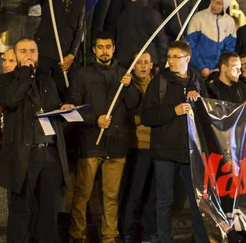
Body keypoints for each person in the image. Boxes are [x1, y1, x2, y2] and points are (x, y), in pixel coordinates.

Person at [0, 38, 73, 242]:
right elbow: (10, 100)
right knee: (21, 213)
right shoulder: (7, 81)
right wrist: (24, 75)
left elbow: (52, 113)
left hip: (50, 154)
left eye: (33, 51)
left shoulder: (47, 80)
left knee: (48, 213)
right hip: (24, 156)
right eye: (23, 51)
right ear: (15, 55)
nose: (29, 55)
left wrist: (64, 110)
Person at [67, 32, 141, 243]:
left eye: (108, 47)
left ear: (114, 48)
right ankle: (77, 236)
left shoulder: (123, 74)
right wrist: (94, 120)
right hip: (91, 143)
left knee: (111, 197)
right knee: (83, 195)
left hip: (117, 145)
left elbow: (134, 103)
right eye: (100, 47)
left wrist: (130, 85)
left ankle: (109, 237)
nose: (104, 51)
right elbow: (73, 107)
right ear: (94, 50)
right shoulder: (82, 75)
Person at [140, 40, 209, 243]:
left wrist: (200, 103)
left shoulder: (197, 82)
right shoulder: (159, 82)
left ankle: (200, 239)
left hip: (190, 151)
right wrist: (174, 111)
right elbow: (147, 117)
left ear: (187, 59)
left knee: (198, 201)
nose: (171, 61)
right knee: (164, 200)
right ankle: (163, 239)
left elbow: (208, 116)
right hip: (164, 152)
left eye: (176, 57)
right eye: (169, 57)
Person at [23, 0, 85, 99]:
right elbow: (28, 0)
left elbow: (79, 31)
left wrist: (72, 55)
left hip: (63, 58)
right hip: (43, 51)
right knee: (37, 91)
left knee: (61, 95)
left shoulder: (80, 2)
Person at [121, 52, 157, 243]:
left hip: (157, 144)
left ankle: (147, 232)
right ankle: (126, 231)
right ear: (133, 66)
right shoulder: (128, 83)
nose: (143, 66)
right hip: (139, 144)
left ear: (151, 65)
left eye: (146, 62)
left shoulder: (158, 83)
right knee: (135, 190)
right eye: (139, 63)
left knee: (153, 192)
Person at [116, 0, 168, 68]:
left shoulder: (151, 14)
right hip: (126, 64)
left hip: (147, 65)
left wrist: (159, 65)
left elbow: (161, 41)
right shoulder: (124, 12)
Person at [187, 0, 236, 78]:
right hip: (196, 70)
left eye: (218, 3)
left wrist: (220, 67)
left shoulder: (230, 22)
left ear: (225, 5)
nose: (214, 5)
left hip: (218, 72)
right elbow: (190, 45)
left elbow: (229, 48)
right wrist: (201, 68)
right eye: (213, 0)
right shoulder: (198, 17)